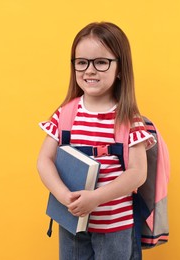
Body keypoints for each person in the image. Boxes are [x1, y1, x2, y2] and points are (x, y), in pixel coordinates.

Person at [37, 22, 156, 260]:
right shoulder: (65, 114)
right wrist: (64, 196)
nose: (89, 70)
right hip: (72, 222)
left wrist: (95, 199)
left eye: (101, 62)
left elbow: (137, 173)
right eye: (81, 62)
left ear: (120, 68)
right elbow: (44, 160)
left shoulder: (128, 119)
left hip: (115, 225)